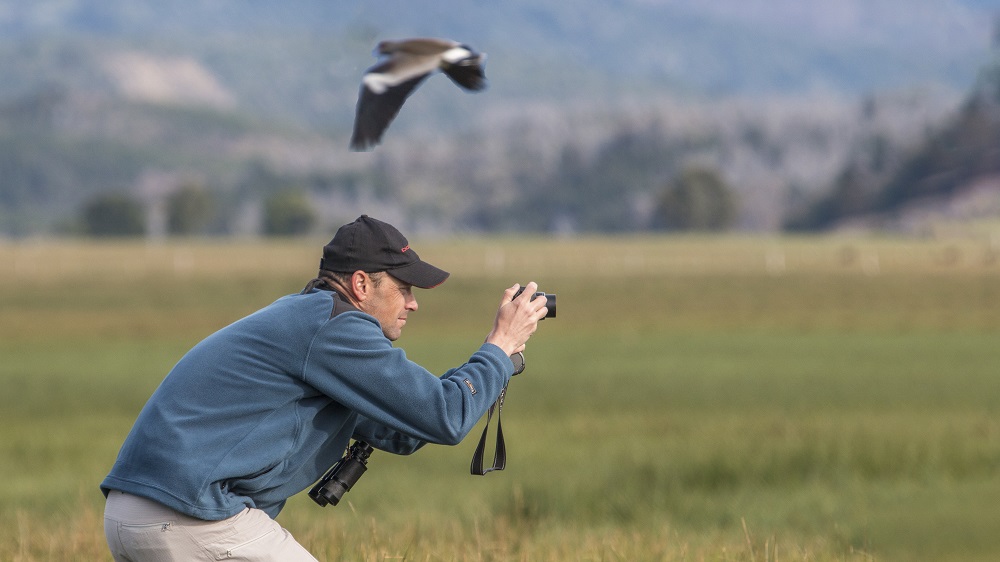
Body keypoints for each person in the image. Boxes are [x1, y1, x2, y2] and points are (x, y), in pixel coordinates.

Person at [101, 215, 548, 561]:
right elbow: (445, 417)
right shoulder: (336, 328)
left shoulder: (308, 319)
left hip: (136, 512)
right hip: (190, 516)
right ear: (360, 284)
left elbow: (408, 430)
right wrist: (499, 345)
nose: (413, 302)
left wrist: (494, 364)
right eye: (404, 287)